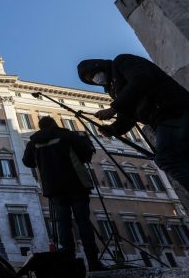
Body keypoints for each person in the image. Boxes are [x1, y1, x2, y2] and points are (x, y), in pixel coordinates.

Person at [78, 54, 189, 194]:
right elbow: (128, 116)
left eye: (93, 75)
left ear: (98, 66)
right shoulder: (114, 90)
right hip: (161, 120)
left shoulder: (122, 62)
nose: (95, 80)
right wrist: (114, 128)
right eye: (91, 80)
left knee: (167, 159)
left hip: (173, 111)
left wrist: (114, 107)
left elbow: (141, 80)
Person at [22, 116, 105, 271]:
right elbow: (86, 153)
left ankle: (68, 261)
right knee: (83, 223)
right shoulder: (68, 135)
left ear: (40, 127)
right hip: (76, 184)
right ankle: (93, 261)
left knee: (63, 224)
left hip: (53, 187)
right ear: (55, 124)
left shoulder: (34, 142)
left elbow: (27, 162)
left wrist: (40, 160)